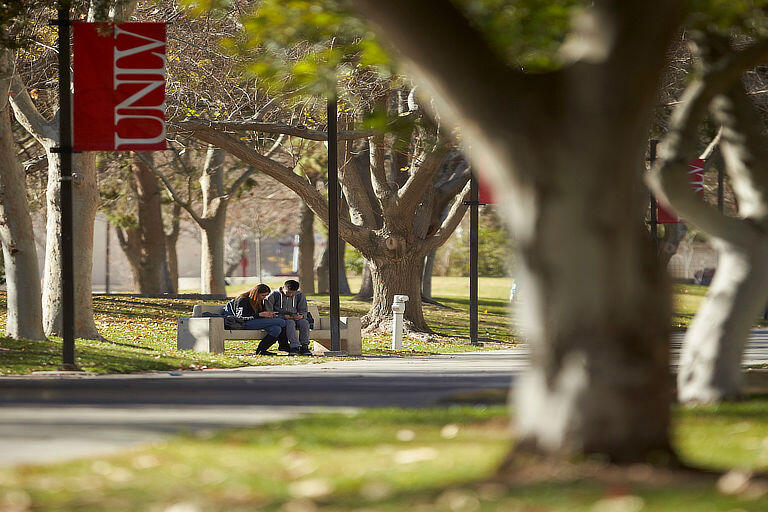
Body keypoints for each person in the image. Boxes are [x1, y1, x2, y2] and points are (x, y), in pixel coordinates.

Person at [228, 284, 285, 355]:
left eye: (266, 295)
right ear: (256, 293)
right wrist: (259, 315)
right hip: (245, 323)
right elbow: (240, 317)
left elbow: (260, 314)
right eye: (263, 295)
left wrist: (267, 315)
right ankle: (284, 345)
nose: (264, 297)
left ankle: (261, 350)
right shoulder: (243, 299)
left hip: (257, 322)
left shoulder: (259, 300)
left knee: (276, 329)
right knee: (282, 321)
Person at [265, 279, 311, 356]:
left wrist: (301, 315)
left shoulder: (299, 295)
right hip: (281, 319)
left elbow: (303, 310)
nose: (290, 294)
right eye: (288, 292)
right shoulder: (273, 295)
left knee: (304, 322)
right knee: (290, 323)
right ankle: (294, 347)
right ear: (283, 287)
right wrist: (282, 316)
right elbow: (268, 312)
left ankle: (304, 346)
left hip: (295, 317)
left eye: (293, 293)